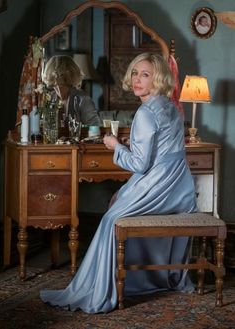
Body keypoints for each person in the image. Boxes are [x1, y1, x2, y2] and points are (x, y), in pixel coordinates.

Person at [40, 52, 197, 314]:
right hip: (179, 188)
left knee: (110, 220)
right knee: (117, 199)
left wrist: (114, 145)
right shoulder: (171, 106)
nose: (137, 79)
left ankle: (104, 286)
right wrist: (129, 152)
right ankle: (155, 276)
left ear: (157, 78)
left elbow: (140, 165)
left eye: (145, 74)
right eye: (135, 73)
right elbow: (159, 155)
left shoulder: (145, 113)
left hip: (158, 186)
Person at [42, 55, 101, 126]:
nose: (59, 91)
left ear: (70, 81)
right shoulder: (51, 98)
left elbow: (95, 128)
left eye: (62, 84)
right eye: (54, 85)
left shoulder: (83, 100)